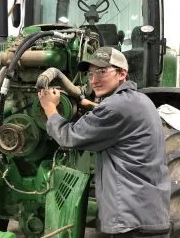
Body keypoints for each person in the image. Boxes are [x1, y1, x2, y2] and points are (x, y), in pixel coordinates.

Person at [38, 46, 171, 238]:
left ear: (122, 73)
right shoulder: (140, 100)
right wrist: (91, 106)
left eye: (102, 71)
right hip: (149, 212)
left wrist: (49, 107)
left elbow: (68, 137)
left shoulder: (115, 108)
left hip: (131, 222)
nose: (94, 80)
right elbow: (117, 120)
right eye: (91, 74)